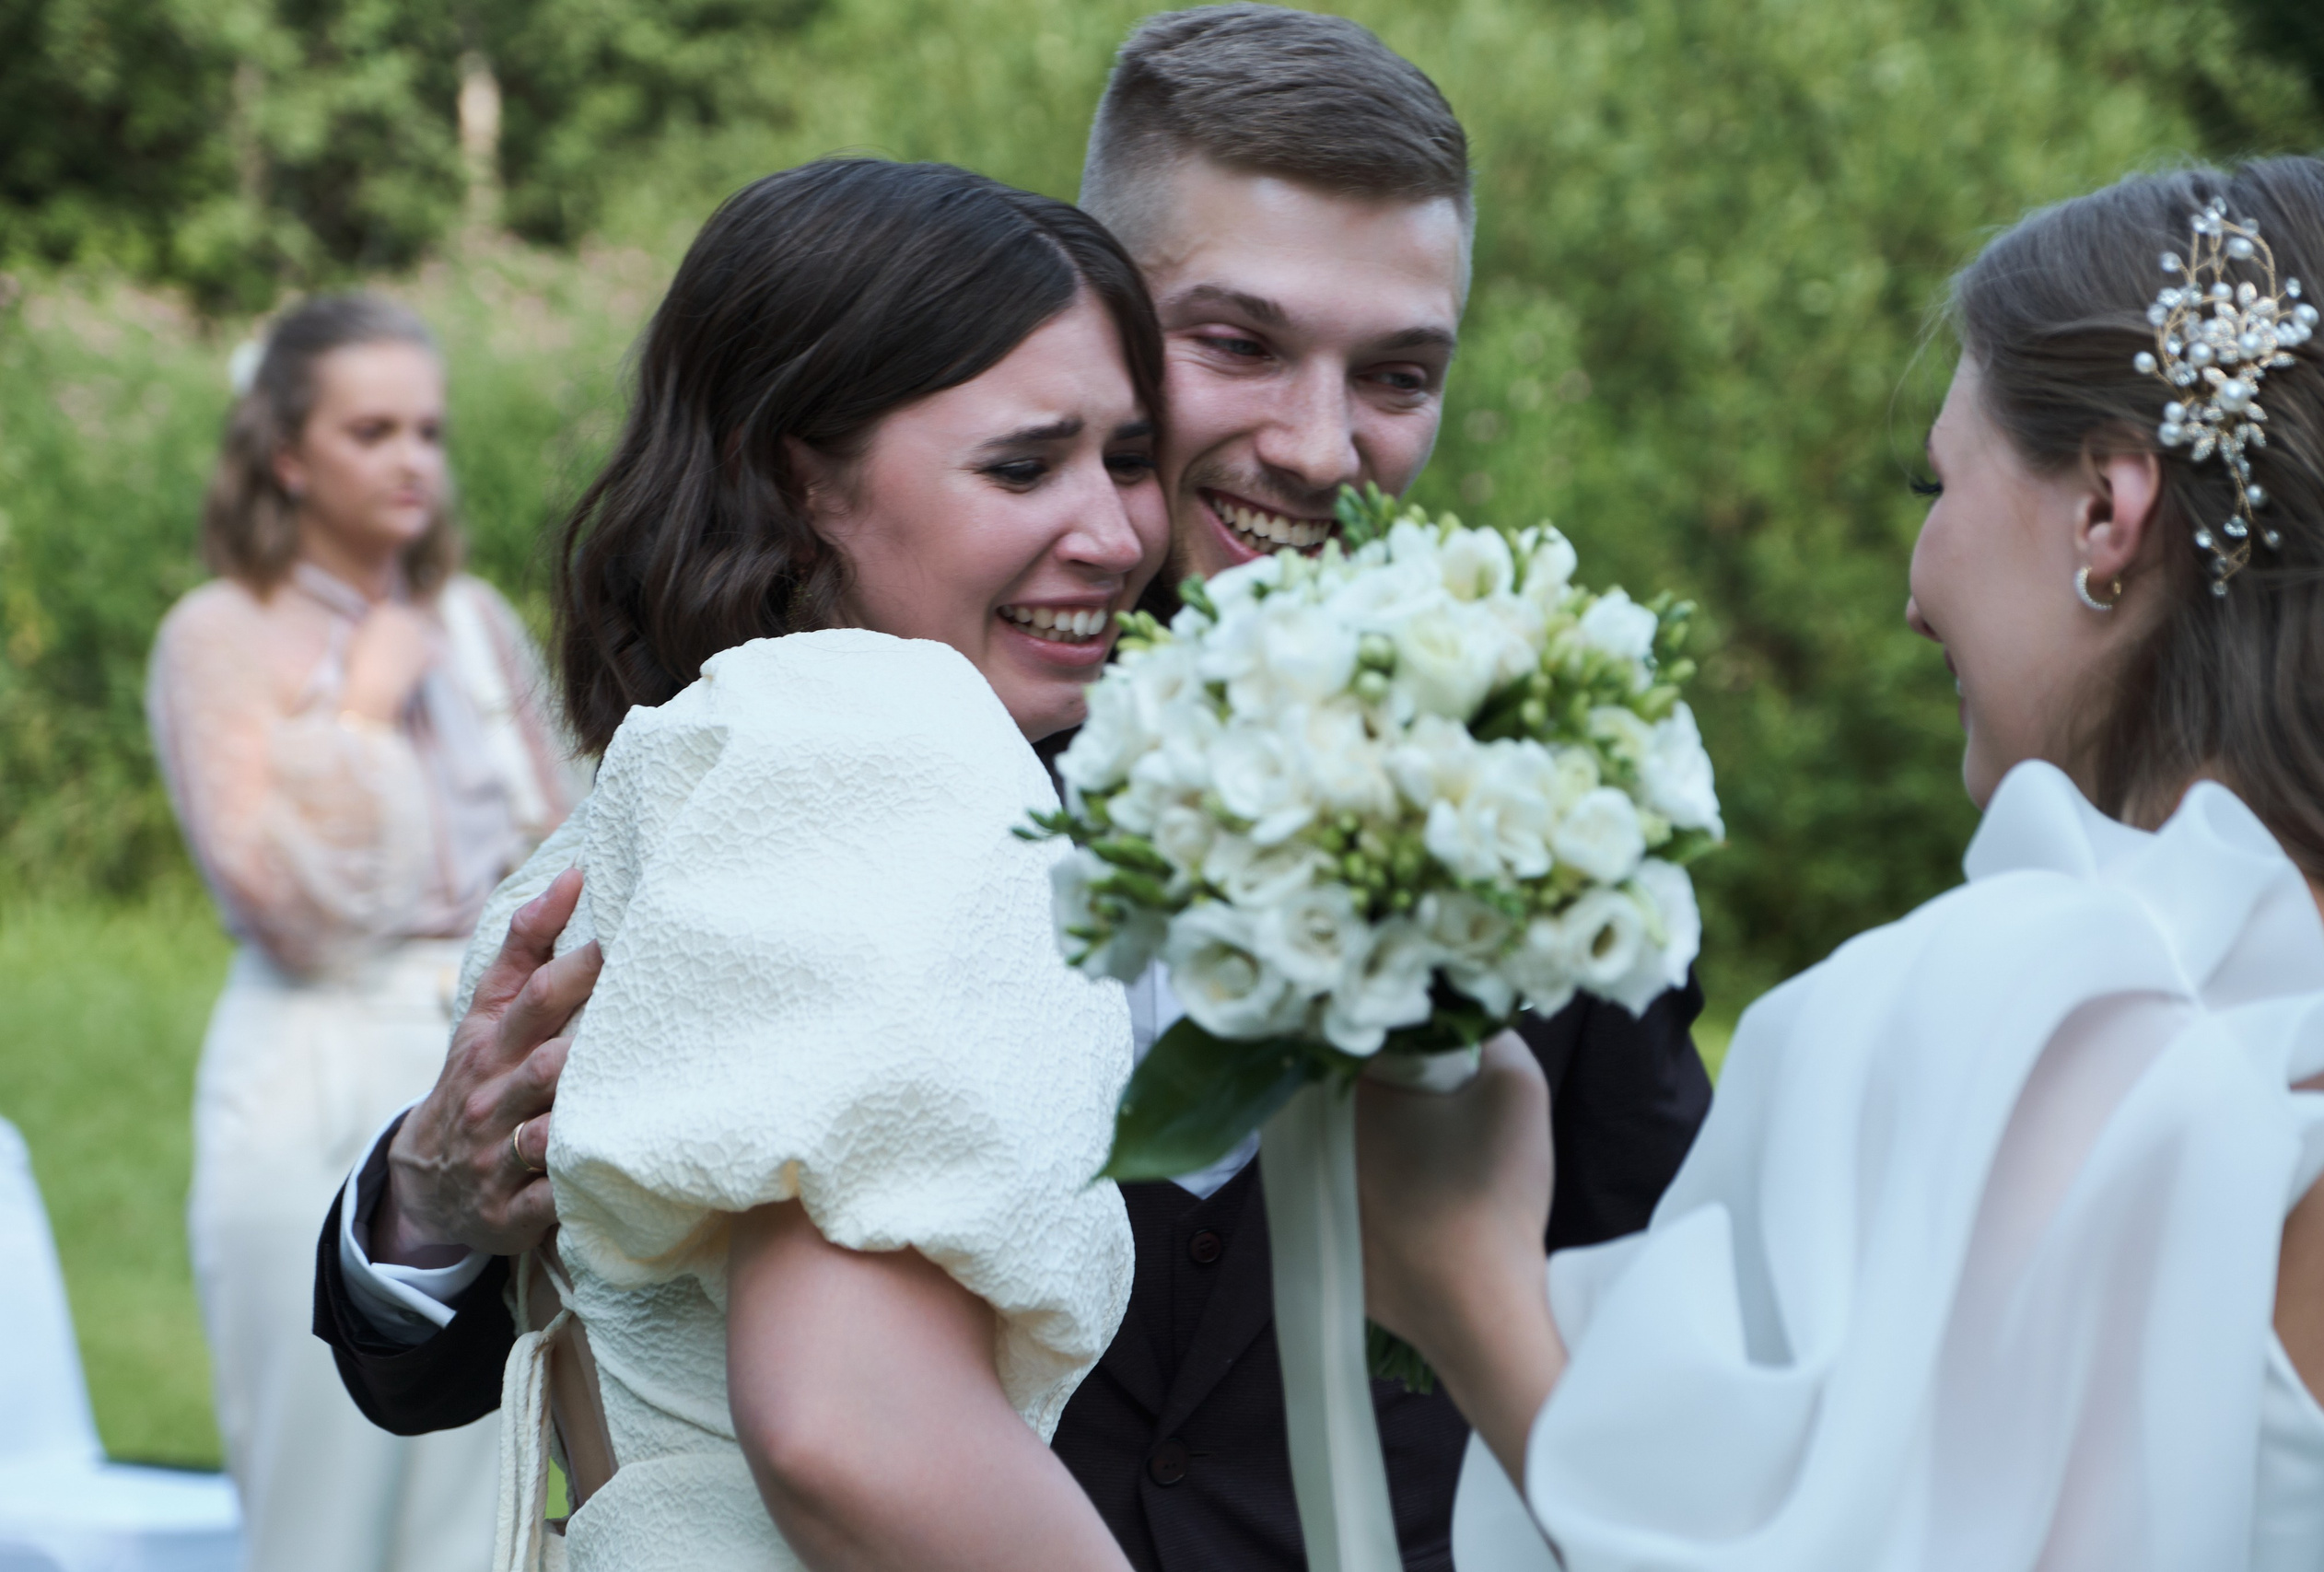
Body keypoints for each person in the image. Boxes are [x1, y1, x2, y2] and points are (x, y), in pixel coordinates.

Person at [312, 8, 1713, 1567]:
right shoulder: (861, 723)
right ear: (1097, 308)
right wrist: (424, 1205)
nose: (1322, 448)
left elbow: (1660, 1353)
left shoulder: (1523, 800)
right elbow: (572, 1344)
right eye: (1241, 346)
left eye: (1397, 373)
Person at [1358, 153, 2324, 1571]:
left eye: (1935, 485)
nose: (1913, 591)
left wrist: (1458, 1274)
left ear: (2107, 510)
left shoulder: (2081, 1001)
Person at [468, 158, 1162, 1569]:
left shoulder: (710, 756)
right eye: (1023, 466)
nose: (1115, 533)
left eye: (1131, 459)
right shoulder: (884, 733)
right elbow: (851, 1429)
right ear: (803, 478)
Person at [146, 293, 579, 1572]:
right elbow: (286, 904)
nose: (412, 462)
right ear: (288, 454)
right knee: (319, 1491)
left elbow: (570, 835)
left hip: (482, 1050)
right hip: (316, 1055)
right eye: (372, 431)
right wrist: (364, 708)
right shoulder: (221, 633)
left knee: (478, 1481)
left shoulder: (476, 620)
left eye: (429, 432)